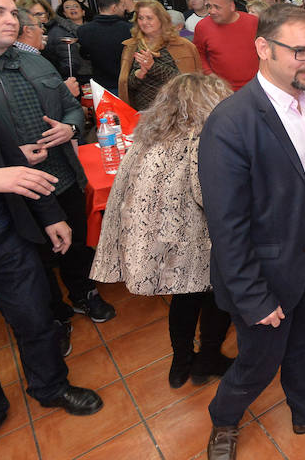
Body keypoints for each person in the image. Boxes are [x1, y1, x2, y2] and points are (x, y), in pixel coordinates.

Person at [199, 5, 305, 459]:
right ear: (264, 49)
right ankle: (224, 419)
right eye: (300, 51)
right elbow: (226, 225)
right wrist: (252, 297)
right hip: (265, 270)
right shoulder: (232, 121)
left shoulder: (302, 103)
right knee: (258, 360)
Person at [91, 74, 235, 389]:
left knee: (184, 302)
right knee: (217, 298)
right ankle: (208, 357)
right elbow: (212, 198)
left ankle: (181, 362)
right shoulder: (203, 140)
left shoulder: (147, 136)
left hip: (162, 243)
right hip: (200, 241)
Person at [0, 0, 117, 349]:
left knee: (76, 242)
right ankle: (54, 314)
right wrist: (9, 157)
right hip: (15, 192)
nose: (10, 20)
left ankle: (83, 292)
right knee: (35, 259)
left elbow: (72, 105)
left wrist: (71, 127)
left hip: (63, 176)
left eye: (13, 13)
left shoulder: (34, 60)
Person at [0, 105, 104, 431]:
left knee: (36, 316)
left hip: (6, 239)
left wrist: (51, 215)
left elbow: (15, 165)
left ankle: (51, 386)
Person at [119, 0, 200, 110]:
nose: (144, 22)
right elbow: (128, 87)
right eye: (140, 18)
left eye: (149, 18)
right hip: (144, 113)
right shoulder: (131, 47)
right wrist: (139, 74)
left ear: (161, 19)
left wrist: (153, 67)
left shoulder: (182, 45)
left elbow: (185, 81)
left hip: (175, 110)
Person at [194, 0, 259, 91]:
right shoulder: (202, 27)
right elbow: (199, 55)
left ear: (232, 6)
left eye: (217, 7)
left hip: (255, 87)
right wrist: (210, 75)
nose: (212, 11)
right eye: (209, 6)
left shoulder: (253, 22)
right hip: (222, 90)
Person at [14, 8, 79, 98]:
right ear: (28, 30)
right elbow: (32, 99)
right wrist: (64, 92)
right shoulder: (23, 60)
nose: (42, 30)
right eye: (39, 26)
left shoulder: (27, 56)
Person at [77, 0, 132, 95]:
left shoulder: (83, 30)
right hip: (124, 84)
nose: (124, 9)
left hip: (99, 85)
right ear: (114, 7)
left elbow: (84, 54)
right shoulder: (129, 29)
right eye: (122, 6)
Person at [18, 0, 83, 81]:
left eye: (39, 14)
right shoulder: (20, 37)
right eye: (30, 15)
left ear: (48, 14)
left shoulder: (58, 33)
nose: (36, 19)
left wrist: (51, 80)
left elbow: (71, 64)